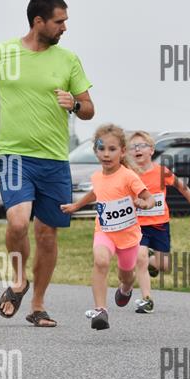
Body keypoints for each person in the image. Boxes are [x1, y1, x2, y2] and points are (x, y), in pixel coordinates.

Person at [0, 0, 95, 327]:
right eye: (59, 21)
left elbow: (88, 108)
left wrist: (75, 105)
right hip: (13, 155)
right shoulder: (2, 53)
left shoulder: (68, 60)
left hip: (54, 159)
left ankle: (37, 304)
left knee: (47, 235)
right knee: (17, 222)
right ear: (38, 21)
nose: (64, 27)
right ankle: (18, 280)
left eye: (65, 21)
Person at [61, 124, 154, 330]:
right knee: (101, 261)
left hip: (128, 237)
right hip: (104, 232)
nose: (106, 154)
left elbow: (150, 198)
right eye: (101, 149)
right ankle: (100, 310)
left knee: (126, 275)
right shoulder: (97, 177)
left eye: (112, 149)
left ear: (123, 151)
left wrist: (144, 203)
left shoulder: (128, 176)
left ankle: (126, 288)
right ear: (95, 151)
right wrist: (76, 206)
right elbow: (96, 192)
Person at [127, 131, 190, 314]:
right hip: (138, 225)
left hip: (160, 225)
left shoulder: (161, 172)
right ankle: (147, 299)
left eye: (142, 145)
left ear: (151, 150)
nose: (137, 149)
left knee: (164, 265)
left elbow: (181, 186)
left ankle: (152, 261)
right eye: (133, 147)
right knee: (140, 257)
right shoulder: (128, 174)